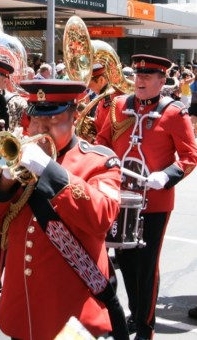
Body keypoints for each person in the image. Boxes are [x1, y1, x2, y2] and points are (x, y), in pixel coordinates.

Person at [0, 80, 126, 339]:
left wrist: (50, 171)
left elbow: (103, 218)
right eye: (35, 121)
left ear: (74, 117)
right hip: (22, 307)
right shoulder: (19, 157)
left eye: (52, 121)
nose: (40, 129)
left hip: (71, 313)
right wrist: (4, 181)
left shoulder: (99, 161)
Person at [96, 54, 197, 340]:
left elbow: (190, 156)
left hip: (154, 202)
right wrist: (107, 162)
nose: (139, 80)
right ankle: (135, 312)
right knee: (125, 261)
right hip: (119, 196)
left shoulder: (174, 113)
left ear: (161, 81)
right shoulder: (118, 106)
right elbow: (103, 141)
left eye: (147, 76)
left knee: (147, 263)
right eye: (137, 75)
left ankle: (145, 327)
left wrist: (165, 176)